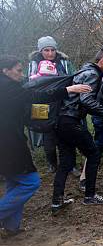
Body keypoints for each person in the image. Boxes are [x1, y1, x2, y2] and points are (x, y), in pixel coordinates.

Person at [0, 56, 90, 236]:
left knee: (14, 182)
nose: (21, 74)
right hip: (9, 144)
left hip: (8, 141)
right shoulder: (8, 88)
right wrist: (68, 89)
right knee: (31, 182)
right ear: (6, 71)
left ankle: (11, 227)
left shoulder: (7, 86)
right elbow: (38, 95)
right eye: (18, 70)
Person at [51, 49, 103, 214]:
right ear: (102, 60)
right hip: (70, 120)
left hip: (60, 121)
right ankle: (90, 196)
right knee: (94, 153)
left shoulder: (83, 71)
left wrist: (102, 114)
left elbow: (84, 102)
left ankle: (56, 201)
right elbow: (86, 100)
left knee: (66, 162)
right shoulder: (93, 74)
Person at [27, 36, 78, 174]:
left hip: (64, 103)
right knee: (48, 137)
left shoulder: (65, 63)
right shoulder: (34, 64)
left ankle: (71, 165)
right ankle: (52, 164)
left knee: (67, 136)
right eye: (46, 50)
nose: (50, 53)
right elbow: (31, 85)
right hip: (44, 105)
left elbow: (72, 79)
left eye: (52, 50)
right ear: (40, 51)